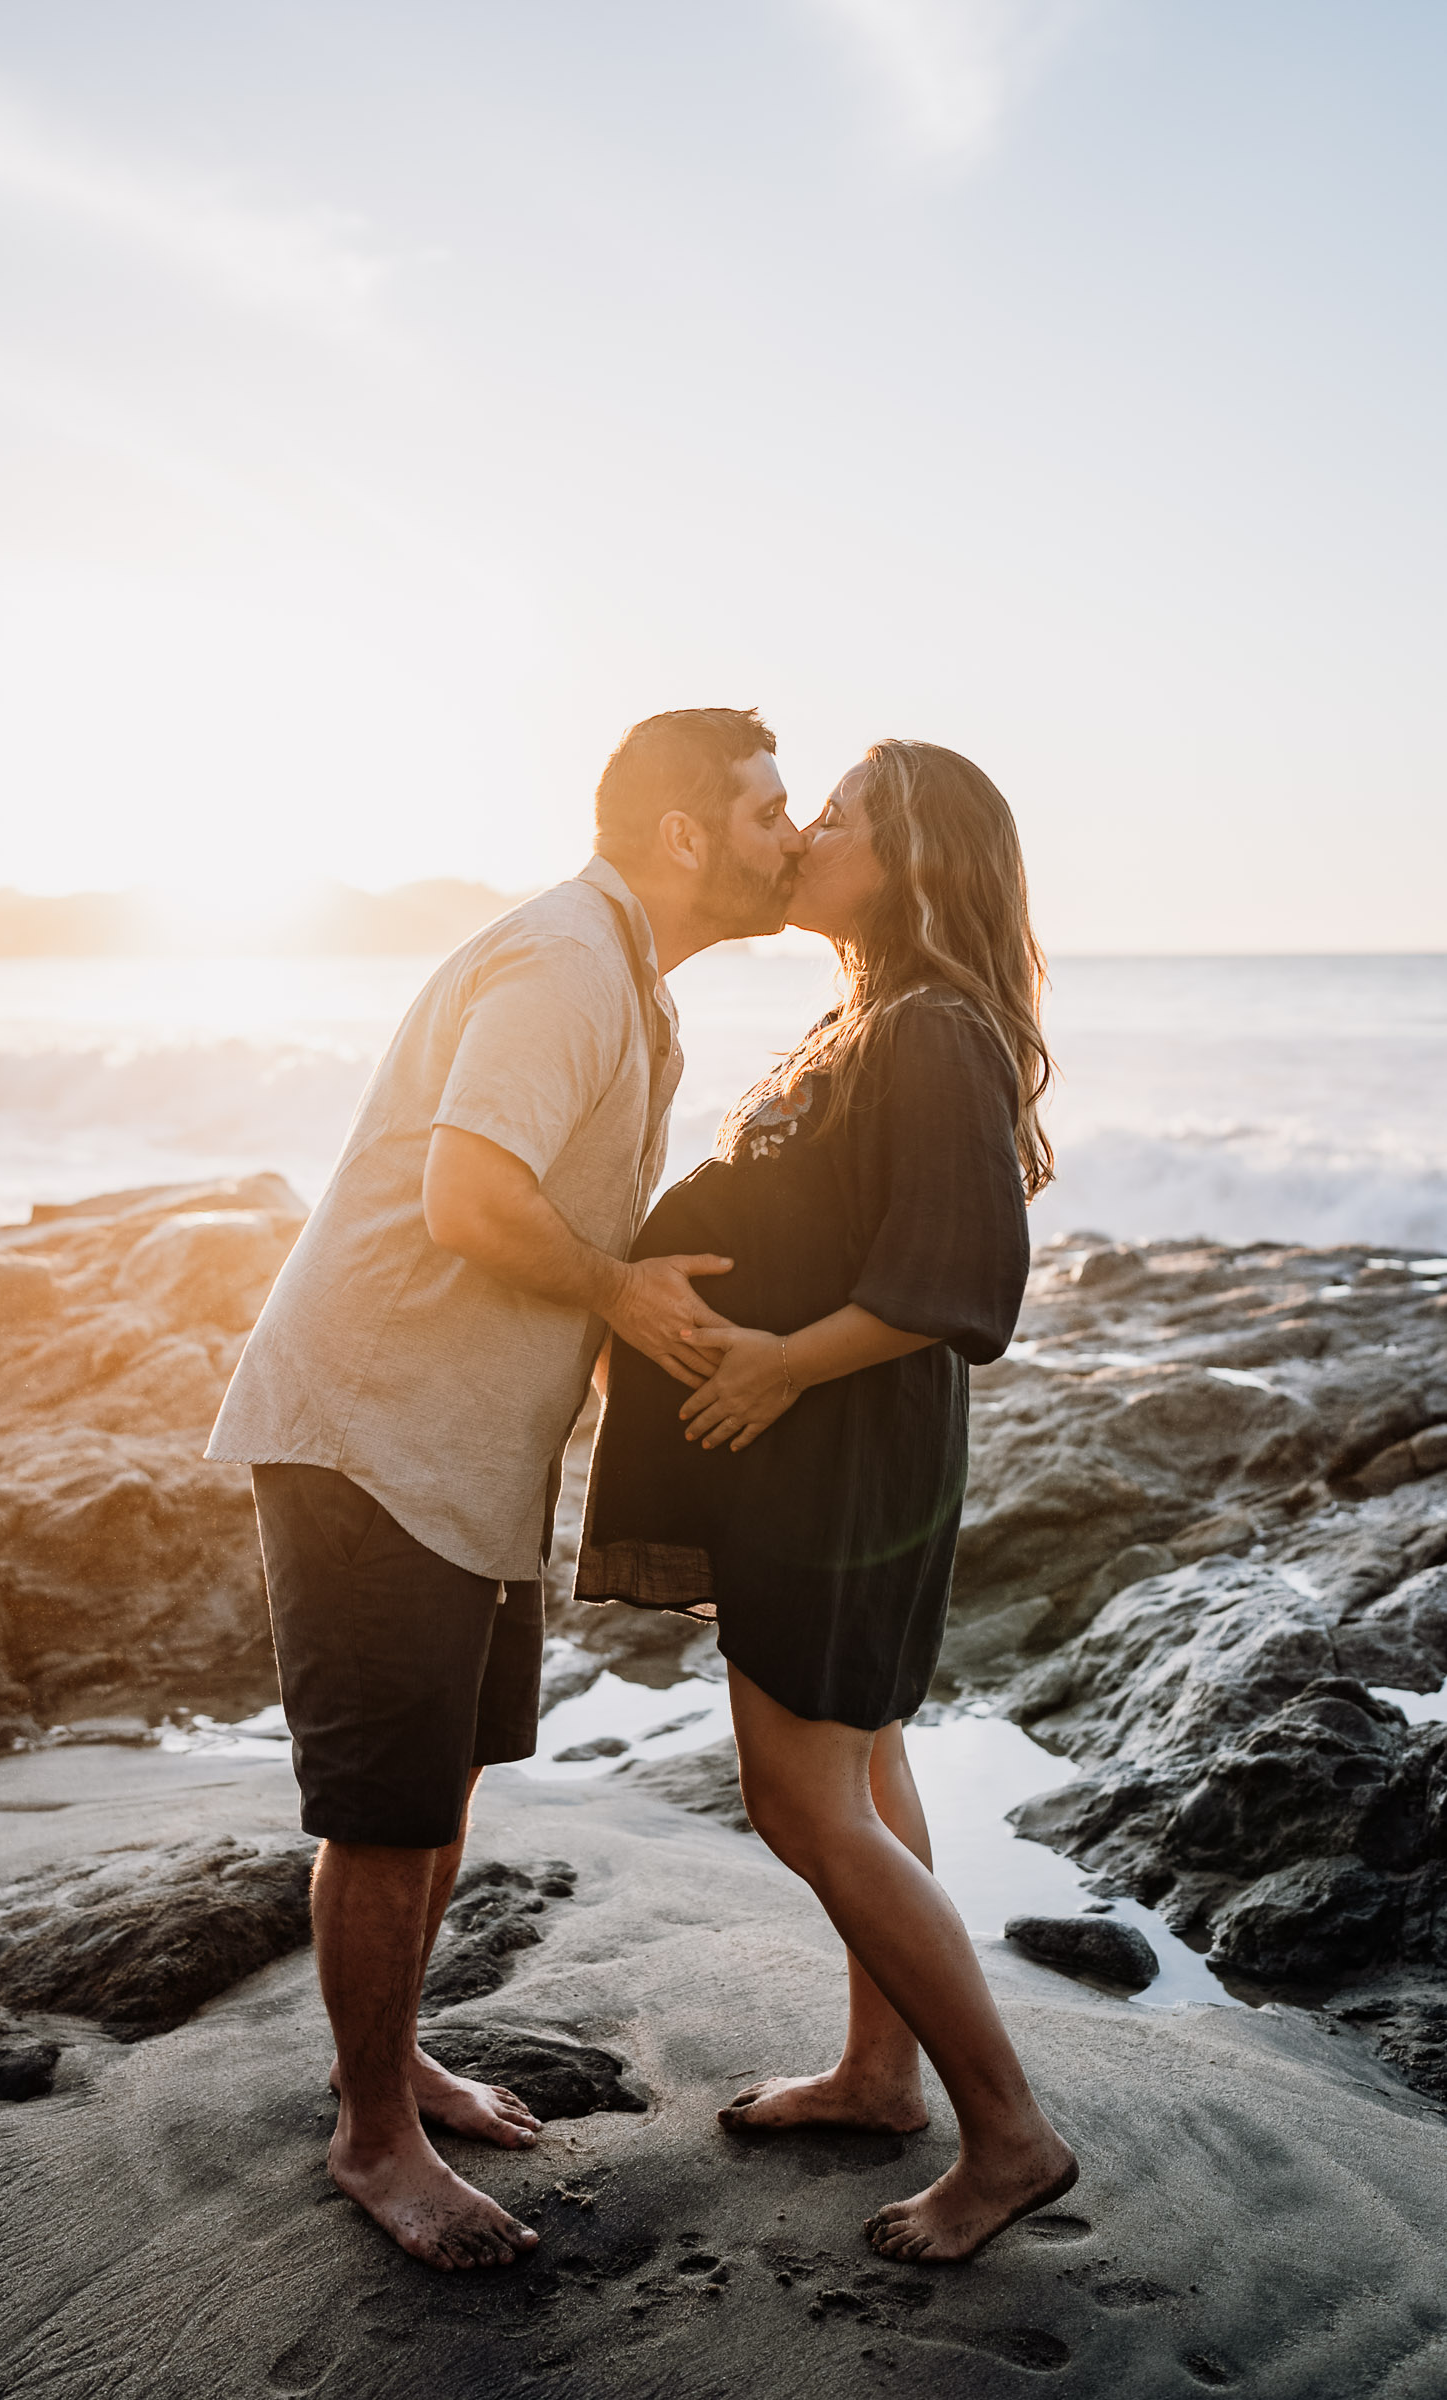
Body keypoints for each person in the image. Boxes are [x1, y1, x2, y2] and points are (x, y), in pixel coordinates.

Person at [207, 707, 805, 2270]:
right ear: (684, 834)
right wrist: (618, 1292)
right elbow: (467, 1197)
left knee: (441, 1786)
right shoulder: (563, 964)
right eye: (764, 812)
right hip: (372, 1433)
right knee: (387, 1810)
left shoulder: (622, 975)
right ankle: (372, 2140)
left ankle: (388, 2064)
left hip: (459, 1453)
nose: (789, 840)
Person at [577, 738, 1078, 2262]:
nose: (800, 836)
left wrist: (782, 1367)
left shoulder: (929, 1027)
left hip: (845, 1454)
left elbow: (957, 1281)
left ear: (911, 859)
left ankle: (1009, 2137)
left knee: (802, 1797)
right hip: (822, 1449)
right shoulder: (870, 1014)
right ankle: (880, 2073)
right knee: (856, 1762)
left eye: (835, 818)